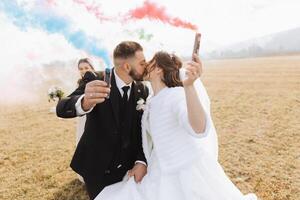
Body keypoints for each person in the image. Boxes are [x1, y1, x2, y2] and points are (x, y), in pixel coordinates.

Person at [95, 51, 257, 200]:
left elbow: (198, 129)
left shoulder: (176, 95)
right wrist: (142, 163)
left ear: (158, 69)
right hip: (159, 168)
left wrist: (189, 86)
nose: (145, 66)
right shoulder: (151, 100)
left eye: (149, 62)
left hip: (184, 170)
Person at [56, 41, 149, 199]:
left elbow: (142, 129)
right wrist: (85, 102)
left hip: (129, 169)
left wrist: (141, 160)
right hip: (96, 168)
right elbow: (62, 107)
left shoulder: (142, 88)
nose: (146, 66)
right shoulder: (96, 79)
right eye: (142, 63)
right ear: (127, 66)